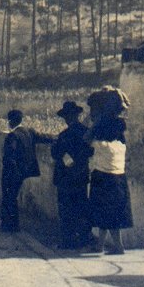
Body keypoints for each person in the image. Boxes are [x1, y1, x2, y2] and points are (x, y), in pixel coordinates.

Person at [86, 88, 132, 254]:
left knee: (104, 212)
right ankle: (104, 245)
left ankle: (115, 246)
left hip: (102, 176)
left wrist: (94, 123)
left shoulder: (100, 135)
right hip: (118, 177)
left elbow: (87, 139)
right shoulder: (120, 133)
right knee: (113, 213)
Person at [1, 109, 52, 233]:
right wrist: (57, 138)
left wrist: (10, 171)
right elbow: (44, 137)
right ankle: (12, 225)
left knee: (9, 197)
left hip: (14, 173)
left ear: (11, 121)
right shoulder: (30, 132)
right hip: (27, 172)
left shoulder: (12, 136)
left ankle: (10, 225)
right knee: (13, 198)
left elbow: (9, 157)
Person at [51, 101, 93, 250]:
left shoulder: (64, 135)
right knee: (81, 208)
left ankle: (68, 240)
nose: (67, 119)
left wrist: (68, 160)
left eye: (68, 116)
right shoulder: (86, 132)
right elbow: (89, 152)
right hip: (80, 177)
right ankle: (83, 238)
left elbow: (55, 153)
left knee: (66, 210)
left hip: (65, 178)